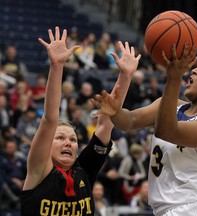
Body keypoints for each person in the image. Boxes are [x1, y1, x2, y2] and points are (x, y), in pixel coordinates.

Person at [92, 41, 197, 216]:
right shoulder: (172, 106)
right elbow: (128, 121)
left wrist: (174, 78)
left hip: (195, 208)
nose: (194, 70)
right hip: (169, 210)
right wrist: (117, 98)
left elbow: (167, 131)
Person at [19, 27, 133, 216]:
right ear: (47, 144)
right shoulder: (39, 170)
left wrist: (125, 76)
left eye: (72, 140)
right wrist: (57, 66)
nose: (68, 143)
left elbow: (106, 121)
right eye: (60, 138)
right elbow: (49, 119)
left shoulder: (83, 171)